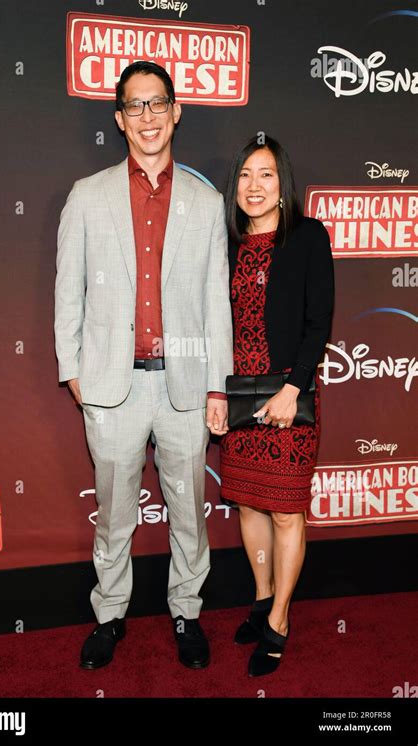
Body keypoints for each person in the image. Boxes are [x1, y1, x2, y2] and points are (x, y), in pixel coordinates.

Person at [54, 61, 233, 670]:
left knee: (188, 514)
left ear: (177, 112)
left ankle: (187, 610)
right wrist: (71, 367)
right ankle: (110, 614)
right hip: (112, 388)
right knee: (115, 516)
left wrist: (218, 386)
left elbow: (217, 300)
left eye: (159, 104)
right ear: (120, 119)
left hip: (185, 388)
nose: (149, 117)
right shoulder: (88, 194)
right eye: (136, 106)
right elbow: (67, 289)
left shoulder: (208, 204)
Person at [219, 135, 334, 676]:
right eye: (245, 175)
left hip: (289, 396)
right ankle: (263, 598)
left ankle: (280, 621)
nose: (254, 186)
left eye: (265, 175)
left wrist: (294, 389)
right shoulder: (230, 243)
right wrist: (216, 393)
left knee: (286, 511)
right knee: (248, 505)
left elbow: (319, 321)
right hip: (241, 397)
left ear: (283, 185)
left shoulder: (308, 237)